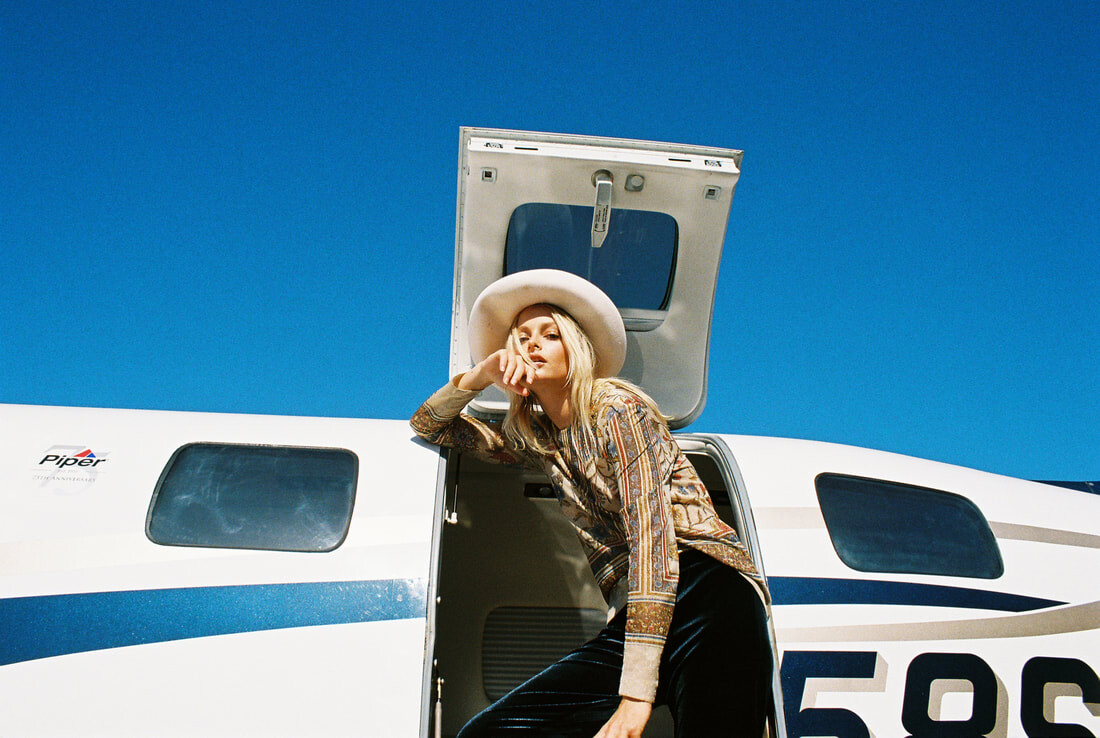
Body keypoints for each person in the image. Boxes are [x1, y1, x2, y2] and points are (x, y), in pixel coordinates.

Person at [411, 269, 772, 737]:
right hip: (638, 609)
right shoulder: (539, 439)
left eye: (550, 334)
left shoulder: (616, 409)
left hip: (705, 592)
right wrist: (480, 375)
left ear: (576, 347)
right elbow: (429, 426)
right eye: (521, 339)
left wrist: (635, 697)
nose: (532, 346)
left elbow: (652, 541)